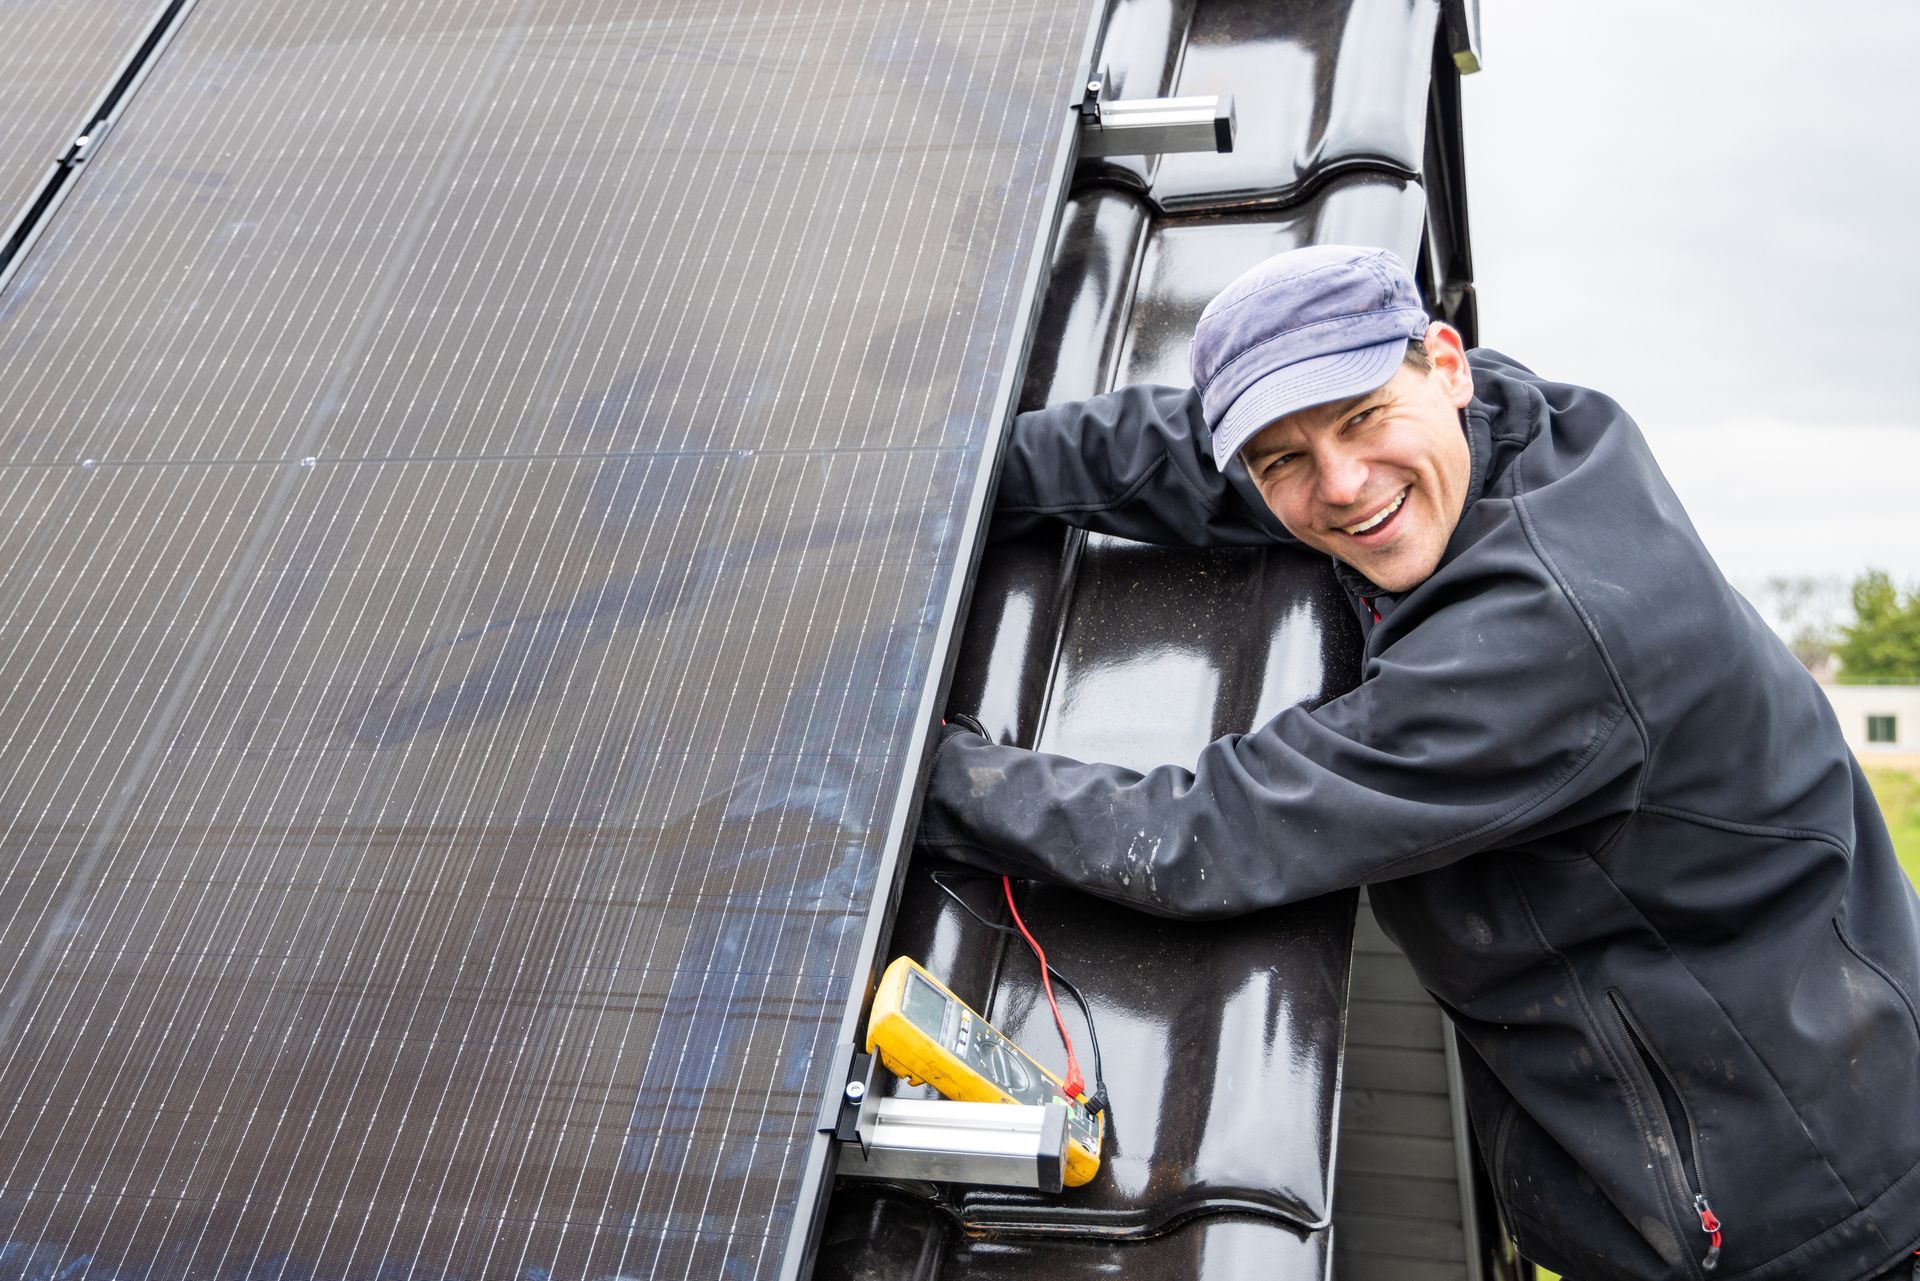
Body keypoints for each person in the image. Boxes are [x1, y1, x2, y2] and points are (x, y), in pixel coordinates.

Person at [917, 244, 1920, 1281]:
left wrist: (926, 776)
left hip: (1813, 1210)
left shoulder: (1547, 637)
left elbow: (1214, 832)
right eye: (1283, 458)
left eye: (1361, 419)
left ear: (1445, 363)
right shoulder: (1489, 431)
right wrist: (953, 469)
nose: (1344, 486)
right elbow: (1192, 453)